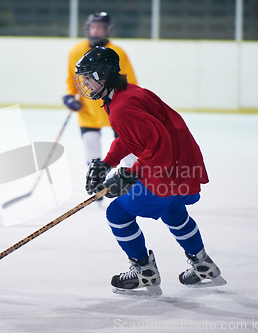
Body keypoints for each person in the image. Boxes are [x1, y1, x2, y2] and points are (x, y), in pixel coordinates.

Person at [76, 47, 226, 295]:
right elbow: (134, 138)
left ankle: (143, 271)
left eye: (90, 78)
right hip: (183, 166)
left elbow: (159, 147)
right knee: (173, 211)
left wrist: (131, 174)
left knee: (118, 213)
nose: (87, 85)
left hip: (167, 169)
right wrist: (108, 163)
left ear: (104, 75)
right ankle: (203, 265)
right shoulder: (126, 94)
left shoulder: (123, 107)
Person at [64, 12, 137, 167]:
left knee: (128, 154)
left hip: (115, 109)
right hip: (89, 110)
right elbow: (73, 78)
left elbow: (129, 80)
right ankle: (96, 182)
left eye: (100, 27)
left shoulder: (118, 52)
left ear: (107, 30)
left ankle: (132, 181)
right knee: (92, 155)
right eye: (92, 27)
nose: (95, 31)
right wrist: (70, 96)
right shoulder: (76, 51)